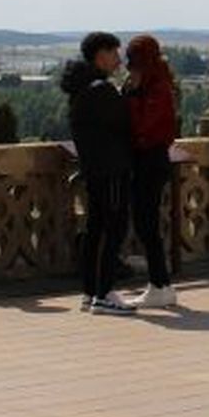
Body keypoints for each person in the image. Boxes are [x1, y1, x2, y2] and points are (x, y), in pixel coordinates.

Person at [61, 32, 137, 316]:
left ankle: (91, 291)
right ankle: (104, 292)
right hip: (112, 169)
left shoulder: (81, 89)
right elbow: (127, 123)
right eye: (115, 53)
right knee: (113, 229)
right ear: (101, 55)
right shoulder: (100, 91)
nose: (119, 60)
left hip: (93, 169)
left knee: (95, 230)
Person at [123, 34, 179, 309]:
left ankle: (160, 285)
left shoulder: (155, 86)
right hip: (150, 158)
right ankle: (161, 284)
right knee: (147, 224)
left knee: (147, 224)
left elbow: (144, 126)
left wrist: (130, 97)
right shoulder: (155, 82)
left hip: (150, 159)